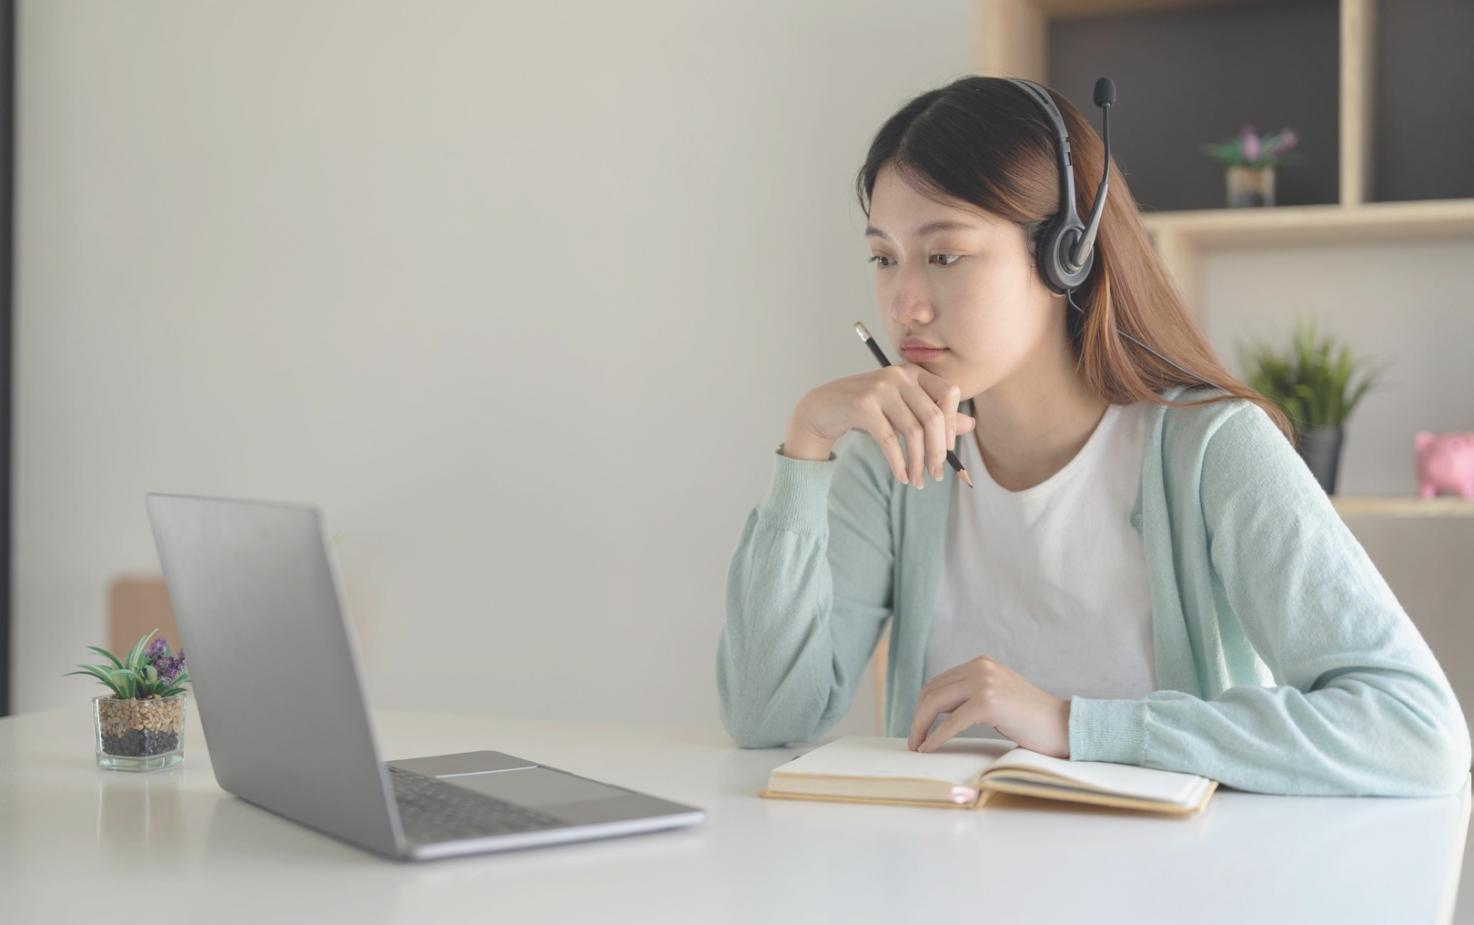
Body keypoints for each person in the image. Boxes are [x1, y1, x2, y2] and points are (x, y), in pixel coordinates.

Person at [715, 75, 1471, 797]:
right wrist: (806, 445)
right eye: (884, 258)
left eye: (944, 255)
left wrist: (1073, 725)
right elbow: (767, 716)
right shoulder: (898, 459)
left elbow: (1416, 729)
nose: (905, 303)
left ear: (1064, 255)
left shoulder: (1209, 448)